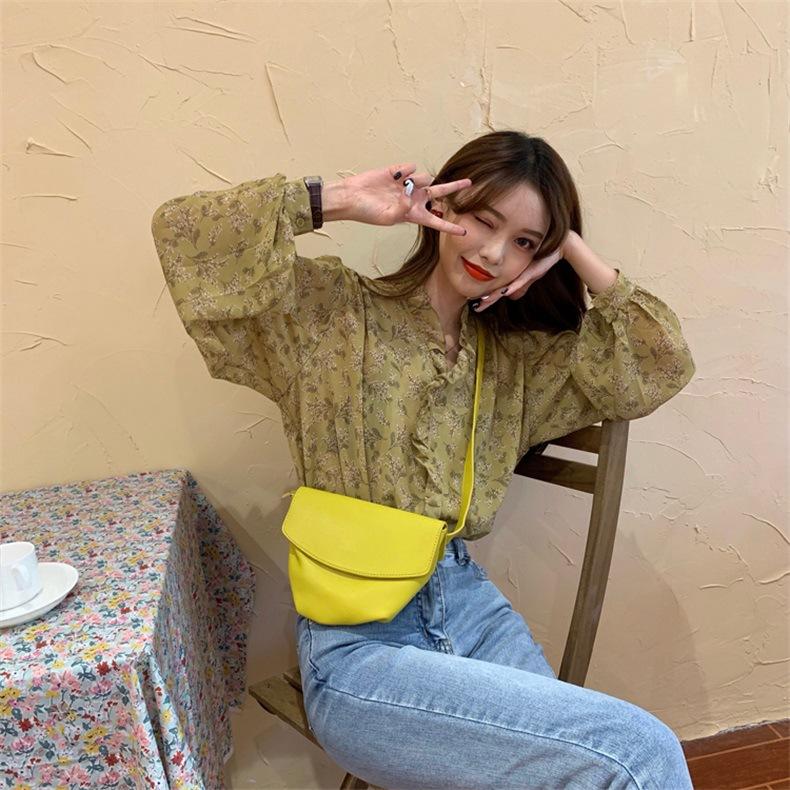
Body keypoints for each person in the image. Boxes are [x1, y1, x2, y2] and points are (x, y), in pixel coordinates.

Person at [151, 130, 695, 789]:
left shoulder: (518, 367)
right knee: (640, 754)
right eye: (483, 220)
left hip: (469, 609)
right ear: (443, 204)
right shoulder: (330, 314)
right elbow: (184, 238)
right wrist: (337, 199)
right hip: (358, 642)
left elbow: (658, 367)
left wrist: (572, 249)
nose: (493, 252)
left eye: (525, 242)